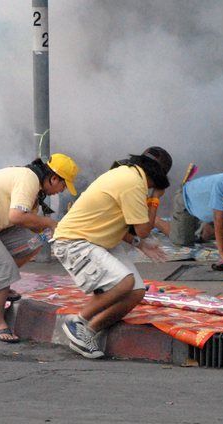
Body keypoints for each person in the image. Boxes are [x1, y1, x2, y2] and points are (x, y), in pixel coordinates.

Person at [52, 146, 172, 359]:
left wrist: (138, 244)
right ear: (160, 176)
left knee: (136, 291)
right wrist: (156, 199)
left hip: (97, 240)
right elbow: (144, 230)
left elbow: (113, 222)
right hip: (74, 241)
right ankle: (76, 321)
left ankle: (88, 331)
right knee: (123, 282)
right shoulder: (134, 183)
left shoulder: (127, 173)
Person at [0, 153, 79, 343]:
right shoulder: (28, 179)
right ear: (53, 178)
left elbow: (28, 224)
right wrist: (50, 223)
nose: (60, 191)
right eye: (63, 185)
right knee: (2, 269)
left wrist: (54, 229)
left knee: (33, 243)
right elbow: (17, 217)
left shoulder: (35, 185)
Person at [155, 160, 223, 260]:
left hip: (212, 208)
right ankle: (155, 220)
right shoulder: (222, 184)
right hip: (188, 200)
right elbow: (218, 218)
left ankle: (205, 227)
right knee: (182, 241)